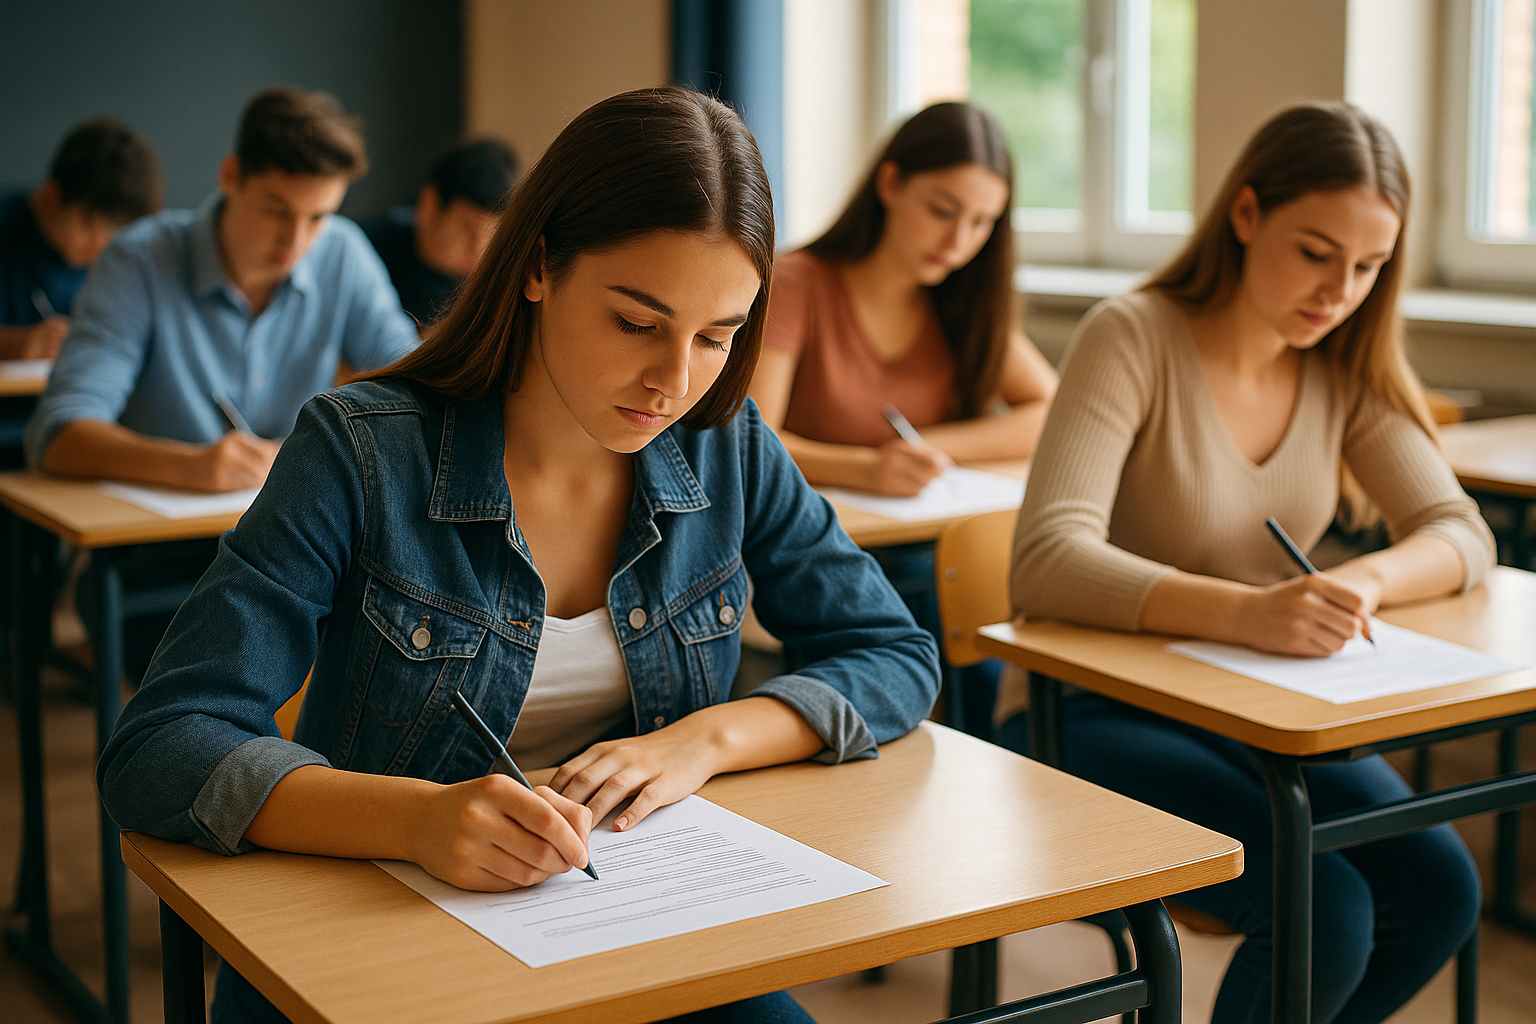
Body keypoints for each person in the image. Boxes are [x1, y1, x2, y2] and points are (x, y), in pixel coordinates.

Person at [98, 86, 940, 1024]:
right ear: (538, 267)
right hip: (371, 937)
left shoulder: (728, 446)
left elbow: (896, 654)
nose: (674, 381)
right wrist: (418, 820)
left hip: (638, 933)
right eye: (636, 323)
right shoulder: (360, 450)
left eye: (716, 336)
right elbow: (159, 749)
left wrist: (702, 742)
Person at [1000, 102, 1493, 1024]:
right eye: (1316, 252)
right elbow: (1045, 562)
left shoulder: (1341, 366)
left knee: (1440, 890)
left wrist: (1364, 581)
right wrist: (1244, 610)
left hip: (1251, 706)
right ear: (1246, 215)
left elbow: (1462, 532)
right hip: (1085, 712)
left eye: (1369, 266)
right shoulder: (1133, 335)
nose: (1339, 289)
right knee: (1329, 909)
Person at [26, 87, 420, 681]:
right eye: (276, 210)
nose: (297, 243)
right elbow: (58, 435)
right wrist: (190, 467)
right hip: (159, 569)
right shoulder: (138, 261)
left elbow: (418, 380)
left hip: (302, 548)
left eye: (318, 216)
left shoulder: (342, 254)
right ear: (231, 176)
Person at [749, 101, 1057, 739]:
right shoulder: (799, 283)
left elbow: (1050, 409)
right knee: (935, 594)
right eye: (943, 211)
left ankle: (999, 751)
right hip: (823, 536)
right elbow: (752, 435)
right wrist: (867, 467)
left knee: (1004, 573)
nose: (958, 241)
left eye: (981, 223)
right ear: (889, 184)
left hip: (931, 533)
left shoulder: (964, 301)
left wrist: (936, 447)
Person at [0, 117, 162, 360]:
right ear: (52, 196)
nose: (99, 246)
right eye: (87, 226)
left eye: (113, 234)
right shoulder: (8, 228)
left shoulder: (114, 263)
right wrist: (18, 344)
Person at [364, 137, 519, 327]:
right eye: (467, 228)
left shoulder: (502, 286)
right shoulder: (362, 252)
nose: (478, 248)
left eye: (493, 234)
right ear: (429, 205)